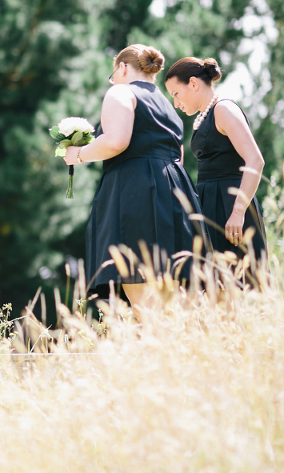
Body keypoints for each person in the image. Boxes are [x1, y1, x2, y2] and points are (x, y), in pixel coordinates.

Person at [63, 45, 207, 310]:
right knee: (170, 280)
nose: (113, 81)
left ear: (123, 68)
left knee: (138, 279)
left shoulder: (121, 91)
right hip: (175, 190)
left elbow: (116, 141)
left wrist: (79, 154)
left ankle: (157, 341)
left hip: (135, 188)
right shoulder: (169, 105)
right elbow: (179, 155)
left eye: (113, 75)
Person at [165, 57, 266, 269]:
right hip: (209, 205)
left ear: (193, 84)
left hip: (230, 207)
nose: (176, 103)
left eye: (176, 94)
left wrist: (238, 212)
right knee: (214, 289)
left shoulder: (223, 109)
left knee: (240, 284)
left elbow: (255, 161)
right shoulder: (204, 115)